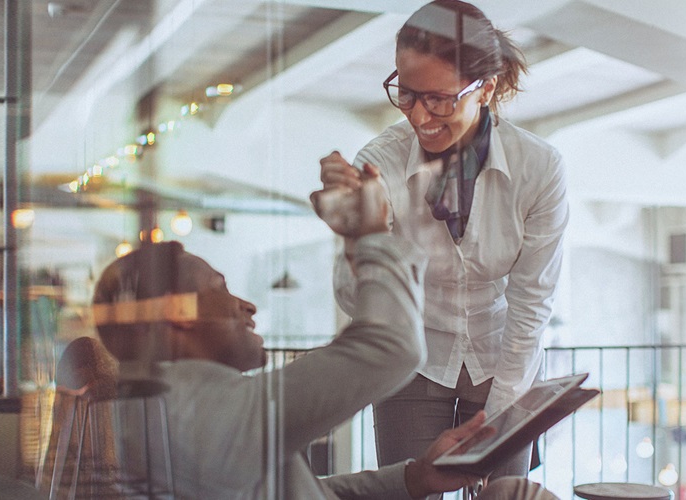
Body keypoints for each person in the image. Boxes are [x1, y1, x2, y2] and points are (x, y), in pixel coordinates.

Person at [80, 178, 558, 498]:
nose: (246, 306)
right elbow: (391, 347)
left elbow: (308, 492)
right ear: (177, 315)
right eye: (220, 289)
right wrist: (371, 234)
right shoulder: (217, 411)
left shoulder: (172, 408)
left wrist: (414, 476)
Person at [318, 0, 569, 481]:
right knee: (405, 489)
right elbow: (357, 301)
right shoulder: (380, 163)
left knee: (504, 492)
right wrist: (357, 234)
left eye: (439, 98)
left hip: (505, 355)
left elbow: (531, 299)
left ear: (486, 89)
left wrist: (500, 416)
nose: (417, 116)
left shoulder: (538, 168)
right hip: (416, 355)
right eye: (406, 94)